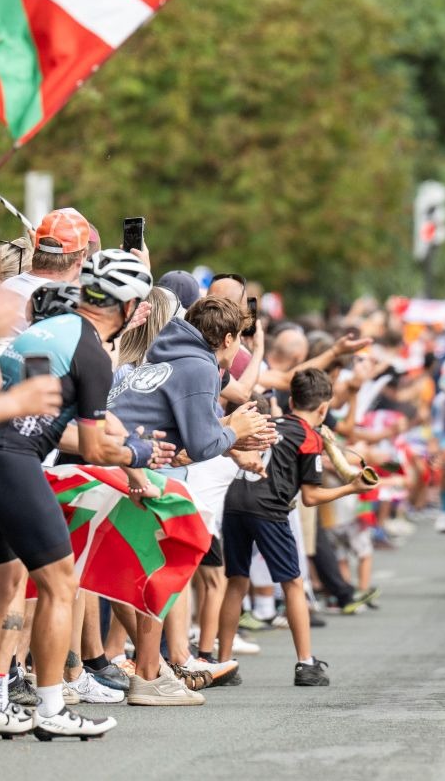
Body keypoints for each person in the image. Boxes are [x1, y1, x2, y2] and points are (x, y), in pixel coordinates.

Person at [0, 250, 170, 741]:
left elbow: (37, 414)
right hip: (12, 463)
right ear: (132, 305)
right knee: (59, 584)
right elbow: (91, 447)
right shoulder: (92, 351)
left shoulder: (43, 330)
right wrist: (136, 453)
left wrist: (126, 446)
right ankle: (52, 707)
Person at [107, 294, 273, 702]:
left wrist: (232, 433)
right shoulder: (200, 365)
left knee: (132, 572)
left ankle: (149, 666)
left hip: (114, 462)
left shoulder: (169, 355)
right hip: (130, 468)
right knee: (174, 557)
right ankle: (148, 673)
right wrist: (235, 429)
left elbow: (192, 431)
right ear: (230, 338)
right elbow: (201, 444)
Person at [217, 368, 376, 685]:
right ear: (323, 408)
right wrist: (352, 487)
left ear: (291, 400)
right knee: (292, 582)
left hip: (235, 500)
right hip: (269, 507)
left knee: (237, 581)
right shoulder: (310, 436)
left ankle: (222, 663)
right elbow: (312, 496)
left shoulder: (271, 421)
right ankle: (306, 663)